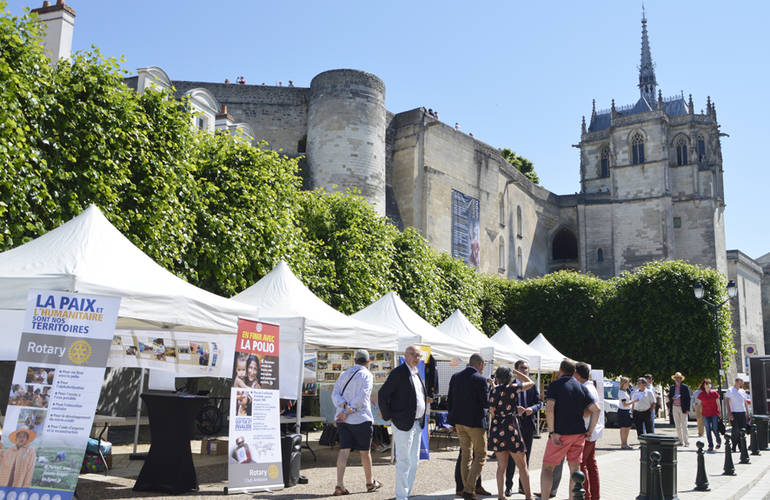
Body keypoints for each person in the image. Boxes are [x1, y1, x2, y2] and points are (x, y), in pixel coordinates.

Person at [540, 359, 600, 500]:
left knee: (548, 468)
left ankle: (544, 498)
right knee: (575, 470)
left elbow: (549, 410)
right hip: (579, 434)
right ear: (574, 372)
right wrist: (590, 431)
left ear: (560, 370)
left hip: (560, 434)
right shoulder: (581, 387)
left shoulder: (555, 385)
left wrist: (552, 432)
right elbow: (596, 410)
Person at [378, 345, 429, 500]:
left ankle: (406, 492)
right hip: (403, 423)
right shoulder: (398, 373)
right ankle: (401, 496)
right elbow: (382, 394)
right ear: (406, 355)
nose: (417, 358)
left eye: (419, 355)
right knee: (404, 461)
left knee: (414, 462)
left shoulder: (416, 372)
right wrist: (389, 416)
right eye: (414, 355)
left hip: (417, 422)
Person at [330, 349, 381, 495]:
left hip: (342, 418)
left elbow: (335, 394)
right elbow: (363, 396)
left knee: (344, 450)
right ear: (368, 361)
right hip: (361, 418)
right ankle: (369, 483)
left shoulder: (344, 374)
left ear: (354, 360)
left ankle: (339, 484)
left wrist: (344, 408)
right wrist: (349, 410)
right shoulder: (367, 375)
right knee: (365, 452)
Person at [489, 365, 535, 500]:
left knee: (501, 466)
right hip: (511, 426)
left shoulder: (494, 390)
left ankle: (501, 495)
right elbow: (530, 383)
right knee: (522, 465)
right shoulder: (513, 387)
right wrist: (516, 372)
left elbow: (492, 412)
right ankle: (528, 496)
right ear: (510, 377)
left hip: (497, 428)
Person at [448, 353, 489, 500]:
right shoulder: (481, 379)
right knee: (481, 455)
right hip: (475, 423)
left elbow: (450, 400)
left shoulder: (456, 377)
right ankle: (469, 489)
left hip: (459, 422)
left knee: (466, 455)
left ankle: (467, 489)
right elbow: (485, 403)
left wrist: (452, 421)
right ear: (480, 364)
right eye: (483, 365)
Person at [504, 360, 542, 497]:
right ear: (516, 370)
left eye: (526, 368)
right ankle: (508, 486)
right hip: (513, 424)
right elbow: (504, 404)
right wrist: (515, 410)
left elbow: (539, 403)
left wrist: (531, 409)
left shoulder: (531, 385)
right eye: (522, 368)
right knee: (511, 457)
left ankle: (522, 486)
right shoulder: (510, 385)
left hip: (527, 424)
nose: (525, 371)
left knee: (526, 457)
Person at [575, 362, 603, 500]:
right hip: (591, 432)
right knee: (591, 464)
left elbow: (590, 411)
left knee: (582, 465)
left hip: (587, 432)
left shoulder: (585, 389)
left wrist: (589, 431)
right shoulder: (590, 387)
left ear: (577, 374)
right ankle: (594, 496)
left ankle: (587, 495)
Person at [725, 376, 750, 452]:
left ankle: (740, 445)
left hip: (742, 412)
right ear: (737, 382)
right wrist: (729, 413)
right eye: (740, 382)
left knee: (742, 430)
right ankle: (734, 445)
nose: (741, 383)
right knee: (735, 429)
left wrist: (747, 413)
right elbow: (727, 401)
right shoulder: (730, 390)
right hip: (734, 412)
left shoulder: (742, 391)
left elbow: (745, 402)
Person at [668, 372, 691, 446]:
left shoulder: (685, 387)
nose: (677, 379)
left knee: (684, 425)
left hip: (683, 407)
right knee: (677, 425)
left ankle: (686, 441)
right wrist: (673, 397)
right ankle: (680, 441)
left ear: (681, 379)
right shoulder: (672, 387)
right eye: (676, 378)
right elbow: (670, 397)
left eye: (679, 378)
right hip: (675, 407)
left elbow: (688, 398)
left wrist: (687, 409)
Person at [697, 378, 721, 451]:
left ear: (711, 385)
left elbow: (719, 404)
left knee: (714, 428)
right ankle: (710, 445)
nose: (708, 385)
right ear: (704, 386)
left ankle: (718, 441)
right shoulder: (701, 394)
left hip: (714, 414)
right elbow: (699, 404)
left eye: (709, 384)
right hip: (705, 414)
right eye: (706, 384)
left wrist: (720, 413)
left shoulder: (715, 393)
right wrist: (698, 413)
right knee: (708, 430)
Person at [617, 377, 635, 449]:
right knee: (624, 428)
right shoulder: (621, 392)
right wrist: (633, 401)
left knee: (627, 427)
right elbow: (624, 404)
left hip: (626, 411)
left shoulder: (625, 391)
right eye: (627, 383)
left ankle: (625, 443)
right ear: (624, 384)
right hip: (623, 411)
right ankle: (623, 444)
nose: (629, 384)